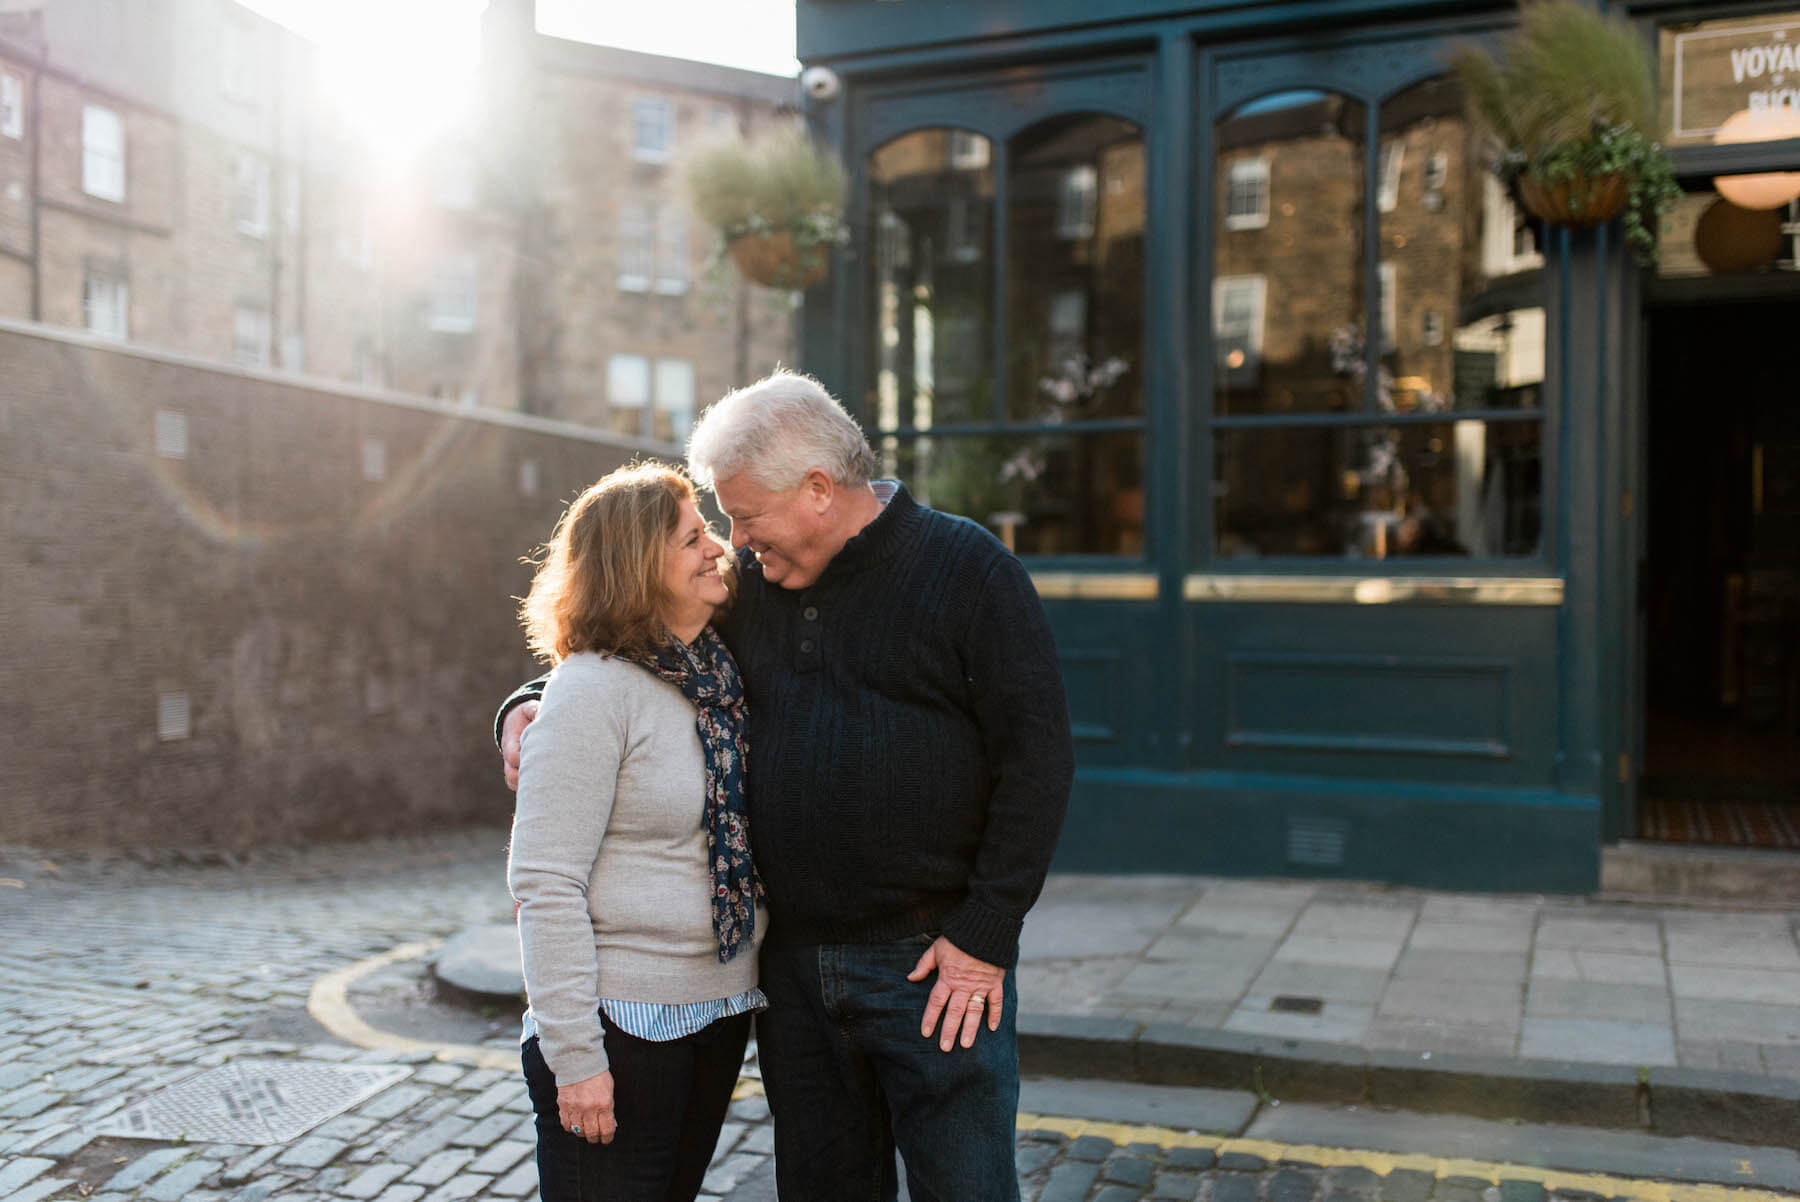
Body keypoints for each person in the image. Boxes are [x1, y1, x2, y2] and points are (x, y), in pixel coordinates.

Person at [498, 370, 1074, 1202]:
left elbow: (1038, 757)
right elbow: (629, 649)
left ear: (816, 490)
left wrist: (986, 935)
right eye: (721, 522)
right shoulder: (753, 588)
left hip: (932, 966)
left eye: (743, 515)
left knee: (967, 1189)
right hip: (793, 974)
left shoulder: (969, 570)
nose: (734, 541)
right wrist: (531, 703)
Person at [507, 462, 767, 1202]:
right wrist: (576, 1058)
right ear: (637, 564)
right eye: (692, 539)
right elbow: (544, 881)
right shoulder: (592, 690)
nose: (717, 547)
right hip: (621, 1027)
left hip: (718, 1011)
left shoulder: (716, 676)